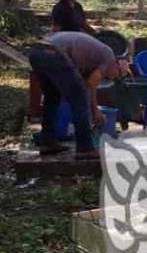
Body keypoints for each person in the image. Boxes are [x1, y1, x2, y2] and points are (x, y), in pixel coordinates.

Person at [29, 31, 120, 159]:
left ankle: (47, 142)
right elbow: (89, 86)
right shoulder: (108, 56)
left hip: (37, 51)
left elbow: (90, 85)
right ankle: (85, 148)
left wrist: (94, 110)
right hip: (54, 52)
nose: (112, 78)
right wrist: (95, 112)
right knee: (79, 100)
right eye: (117, 75)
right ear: (116, 65)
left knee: (52, 97)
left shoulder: (93, 58)